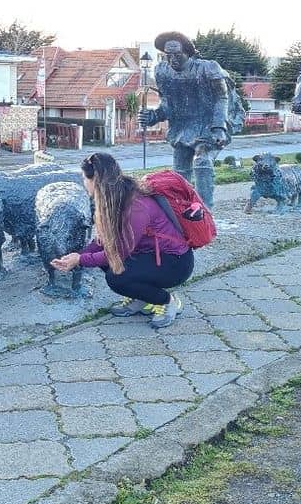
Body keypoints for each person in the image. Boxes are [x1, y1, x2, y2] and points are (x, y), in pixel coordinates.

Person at [51, 152, 192, 329]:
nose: (83, 183)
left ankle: (168, 301)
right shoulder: (116, 197)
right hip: (150, 256)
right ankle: (142, 299)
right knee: (107, 265)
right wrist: (77, 256)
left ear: (95, 179)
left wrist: (79, 260)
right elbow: (103, 242)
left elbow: (116, 253)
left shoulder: (136, 206)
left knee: (117, 278)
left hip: (175, 263)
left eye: (84, 178)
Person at [138, 32, 231, 208]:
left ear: (187, 52)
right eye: (168, 55)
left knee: (202, 161)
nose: (172, 59)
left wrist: (219, 127)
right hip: (181, 127)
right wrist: (153, 116)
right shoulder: (162, 71)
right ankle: (181, 210)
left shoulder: (208, 68)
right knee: (179, 172)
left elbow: (222, 98)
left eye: (177, 54)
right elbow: (167, 104)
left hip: (208, 123)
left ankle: (205, 212)